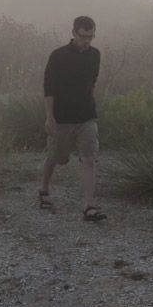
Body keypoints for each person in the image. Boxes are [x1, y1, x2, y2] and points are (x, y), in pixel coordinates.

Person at [39, 16, 105, 221]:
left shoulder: (95, 55)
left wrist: (91, 104)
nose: (87, 40)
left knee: (89, 159)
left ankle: (89, 206)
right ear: (74, 33)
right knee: (57, 157)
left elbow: (92, 82)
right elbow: (48, 89)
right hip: (62, 118)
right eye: (83, 36)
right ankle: (44, 190)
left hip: (86, 116)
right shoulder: (58, 56)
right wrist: (49, 117)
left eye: (91, 36)